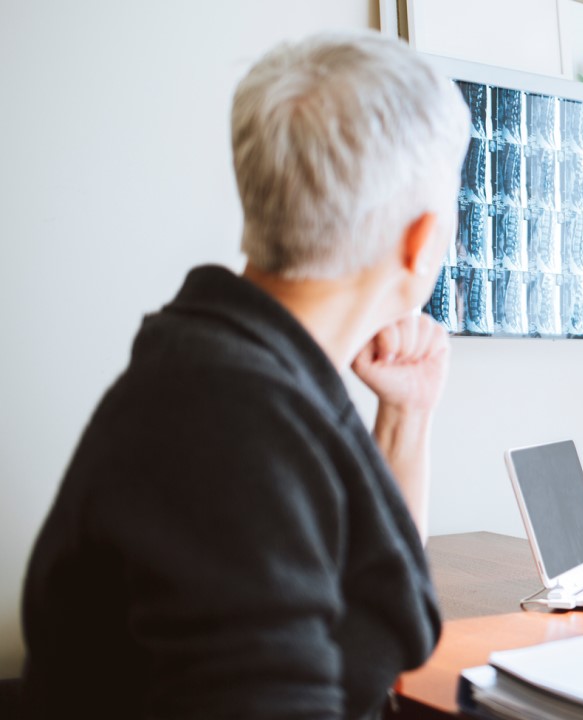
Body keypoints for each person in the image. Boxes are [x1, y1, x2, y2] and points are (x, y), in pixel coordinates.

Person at [21, 31, 469, 719]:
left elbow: (376, 596)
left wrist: (406, 419)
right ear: (424, 241)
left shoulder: (251, 373)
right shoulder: (225, 421)